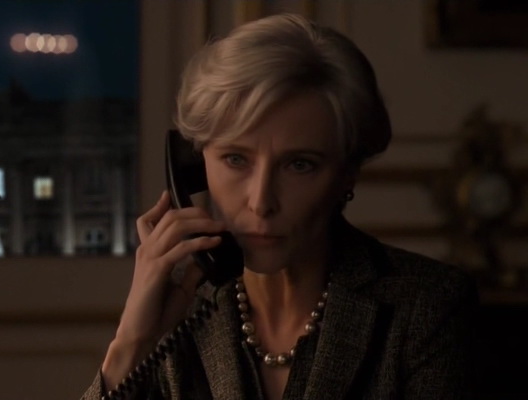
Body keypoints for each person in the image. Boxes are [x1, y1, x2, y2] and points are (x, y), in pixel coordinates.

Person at [82, 13, 477, 400]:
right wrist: (132, 342)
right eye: (236, 159)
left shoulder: (424, 306)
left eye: (299, 165)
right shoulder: (179, 312)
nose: (261, 202)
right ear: (195, 166)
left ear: (347, 172)